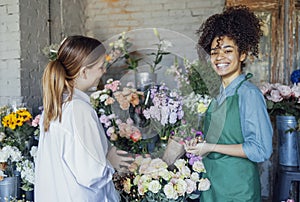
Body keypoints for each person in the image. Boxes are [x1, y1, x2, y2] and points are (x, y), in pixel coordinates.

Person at [184, 6, 273, 202]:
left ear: (242, 55)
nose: (219, 57)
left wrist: (211, 147)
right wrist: (200, 144)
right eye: (215, 52)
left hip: (237, 190)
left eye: (228, 50)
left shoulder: (248, 94)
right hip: (211, 186)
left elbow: (261, 150)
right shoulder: (215, 95)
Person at [35, 35, 133, 202]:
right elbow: (91, 175)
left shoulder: (56, 105)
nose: (104, 71)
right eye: (101, 67)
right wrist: (111, 161)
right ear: (84, 71)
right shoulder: (78, 109)